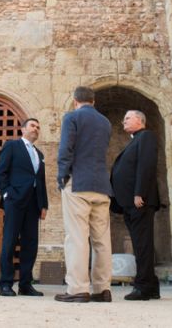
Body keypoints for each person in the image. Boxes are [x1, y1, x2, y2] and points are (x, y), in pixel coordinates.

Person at [55, 86, 113, 303]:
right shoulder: (105, 122)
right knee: (102, 240)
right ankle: (102, 288)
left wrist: (62, 175)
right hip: (101, 185)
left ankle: (78, 289)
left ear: (75, 101)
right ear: (93, 101)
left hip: (78, 182)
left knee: (77, 238)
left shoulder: (72, 117)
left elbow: (66, 149)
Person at [111, 110, 161, 300]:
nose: (123, 121)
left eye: (127, 118)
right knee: (141, 244)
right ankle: (152, 285)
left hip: (139, 200)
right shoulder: (136, 139)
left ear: (140, 120)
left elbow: (146, 165)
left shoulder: (146, 136)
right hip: (130, 202)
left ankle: (143, 287)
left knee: (142, 245)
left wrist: (139, 192)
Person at [0, 118, 49, 297]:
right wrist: (6, 194)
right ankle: (5, 283)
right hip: (15, 200)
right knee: (10, 242)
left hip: (33, 204)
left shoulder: (39, 154)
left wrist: (44, 205)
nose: (36, 129)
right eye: (33, 125)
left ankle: (26, 284)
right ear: (23, 129)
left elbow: (41, 181)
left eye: (38, 126)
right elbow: (1, 172)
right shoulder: (12, 146)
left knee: (30, 244)